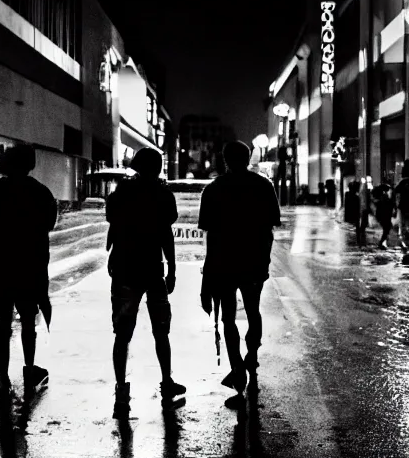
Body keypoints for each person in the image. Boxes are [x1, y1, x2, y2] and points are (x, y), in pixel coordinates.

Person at [198, 141, 280, 409]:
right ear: (248, 158)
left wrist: (206, 278)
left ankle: (237, 370)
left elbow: (210, 237)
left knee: (228, 318)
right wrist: (264, 260)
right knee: (253, 311)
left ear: (224, 159)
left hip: (223, 263)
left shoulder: (213, 190)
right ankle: (251, 357)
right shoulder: (264, 186)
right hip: (254, 261)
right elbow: (269, 229)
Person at [0, 145, 56, 404]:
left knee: (2, 326)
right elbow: (49, 225)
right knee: (28, 323)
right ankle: (30, 369)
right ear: (29, 164)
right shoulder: (41, 193)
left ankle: (3, 381)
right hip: (29, 269)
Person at [105, 149, 185, 414]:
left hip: (125, 268)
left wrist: (112, 255)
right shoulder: (163, 195)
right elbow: (166, 234)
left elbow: (114, 226)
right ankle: (166, 382)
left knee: (122, 333)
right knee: (161, 330)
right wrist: (172, 268)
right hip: (152, 269)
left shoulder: (121, 194)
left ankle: (121, 391)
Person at [374, 177, 396, 249]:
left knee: (386, 230)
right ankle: (381, 243)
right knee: (386, 230)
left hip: (384, 216)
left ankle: (383, 243)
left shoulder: (382, 198)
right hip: (385, 216)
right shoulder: (384, 197)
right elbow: (388, 205)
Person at [345, 181, 367, 246]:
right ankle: (359, 241)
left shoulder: (348, 194)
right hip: (356, 213)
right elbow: (358, 206)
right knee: (358, 226)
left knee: (358, 226)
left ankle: (359, 240)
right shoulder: (356, 197)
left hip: (354, 213)